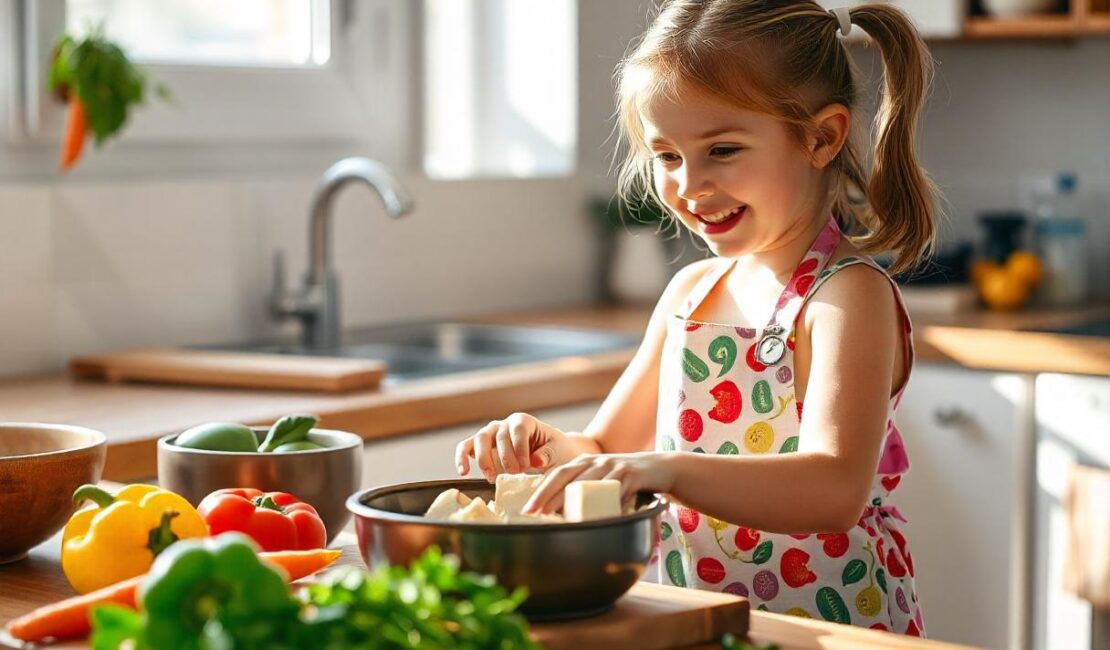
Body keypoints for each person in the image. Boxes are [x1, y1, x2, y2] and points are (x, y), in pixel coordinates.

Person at [455, 0, 938, 635]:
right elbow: (607, 447)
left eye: (723, 149)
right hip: (695, 621)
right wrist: (552, 453)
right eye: (667, 156)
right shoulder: (690, 292)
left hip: (828, 628)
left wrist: (666, 469)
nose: (688, 185)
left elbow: (834, 489)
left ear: (821, 137)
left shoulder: (847, 297)